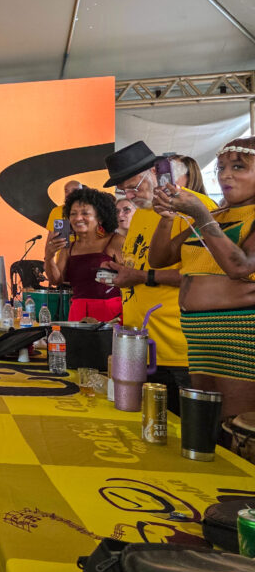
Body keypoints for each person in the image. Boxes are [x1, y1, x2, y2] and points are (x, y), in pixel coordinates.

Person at [100, 142, 217, 414]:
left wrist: (140, 276)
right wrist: (121, 271)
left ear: (157, 171)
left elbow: (203, 275)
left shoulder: (194, 206)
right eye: (123, 190)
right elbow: (138, 262)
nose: (129, 194)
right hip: (140, 344)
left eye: (134, 185)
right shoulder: (141, 213)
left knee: (183, 435)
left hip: (180, 347)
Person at [150, 137, 255, 417]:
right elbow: (160, 258)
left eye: (238, 167)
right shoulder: (215, 217)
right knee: (206, 427)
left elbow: (241, 267)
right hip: (198, 337)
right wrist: (168, 217)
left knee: (237, 425)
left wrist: (199, 212)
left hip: (239, 335)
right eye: (220, 168)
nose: (226, 175)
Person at [44, 188, 124, 321]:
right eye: (73, 214)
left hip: (110, 314)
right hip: (77, 313)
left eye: (85, 213)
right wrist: (49, 257)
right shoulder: (68, 248)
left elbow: (130, 279)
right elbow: (55, 281)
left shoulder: (116, 241)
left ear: (100, 218)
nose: (78, 218)